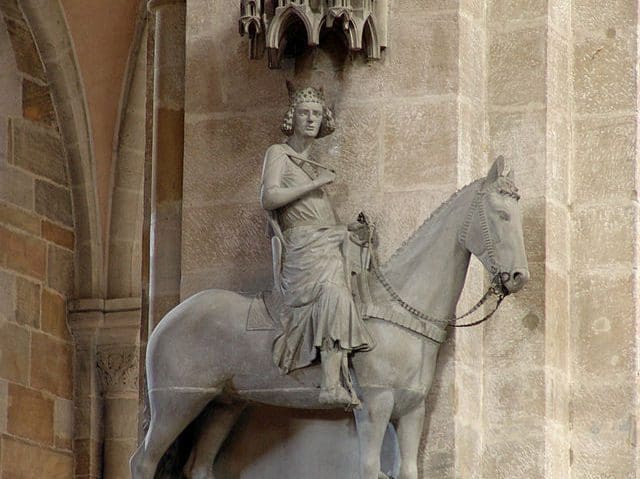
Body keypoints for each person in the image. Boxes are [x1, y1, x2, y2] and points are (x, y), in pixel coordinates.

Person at [260, 82, 374, 407]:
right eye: (304, 113)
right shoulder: (279, 154)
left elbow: (319, 217)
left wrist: (349, 228)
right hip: (301, 246)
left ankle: (340, 375)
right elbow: (269, 198)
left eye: (316, 114)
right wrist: (314, 184)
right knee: (334, 291)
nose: (311, 119)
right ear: (291, 118)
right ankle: (329, 384)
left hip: (323, 239)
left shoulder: (312, 164)